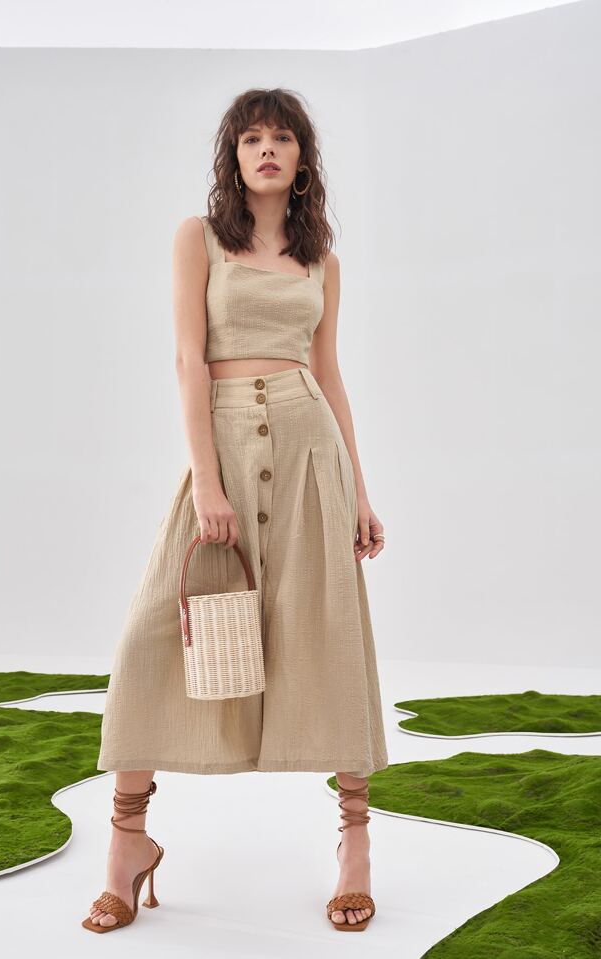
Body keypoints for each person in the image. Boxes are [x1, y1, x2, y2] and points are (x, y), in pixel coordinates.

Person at [82, 88, 389, 934]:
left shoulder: (322, 261)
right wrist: (206, 480)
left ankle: (355, 843)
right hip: (220, 441)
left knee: (327, 633)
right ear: (234, 155)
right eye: (252, 138)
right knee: (152, 636)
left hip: (308, 448)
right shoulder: (200, 238)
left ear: (302, 160)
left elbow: (330, 375)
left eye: (282, 138)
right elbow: (189, 358)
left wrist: (360, 491)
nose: (267, 149)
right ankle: (127, 842)